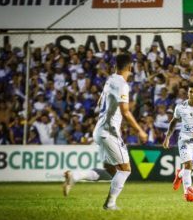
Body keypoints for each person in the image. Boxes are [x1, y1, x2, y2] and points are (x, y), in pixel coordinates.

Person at [62, 53, 148, 210]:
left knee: (111, 172)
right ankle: (110, 204)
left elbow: (100, 104)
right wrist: (140, 131)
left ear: (115, 66)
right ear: (130, 67)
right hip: (109, 132)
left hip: (99, 129)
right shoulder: (122, 84)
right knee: (125, 170)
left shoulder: (110, 81)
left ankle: (75, 176)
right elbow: (125, 111)